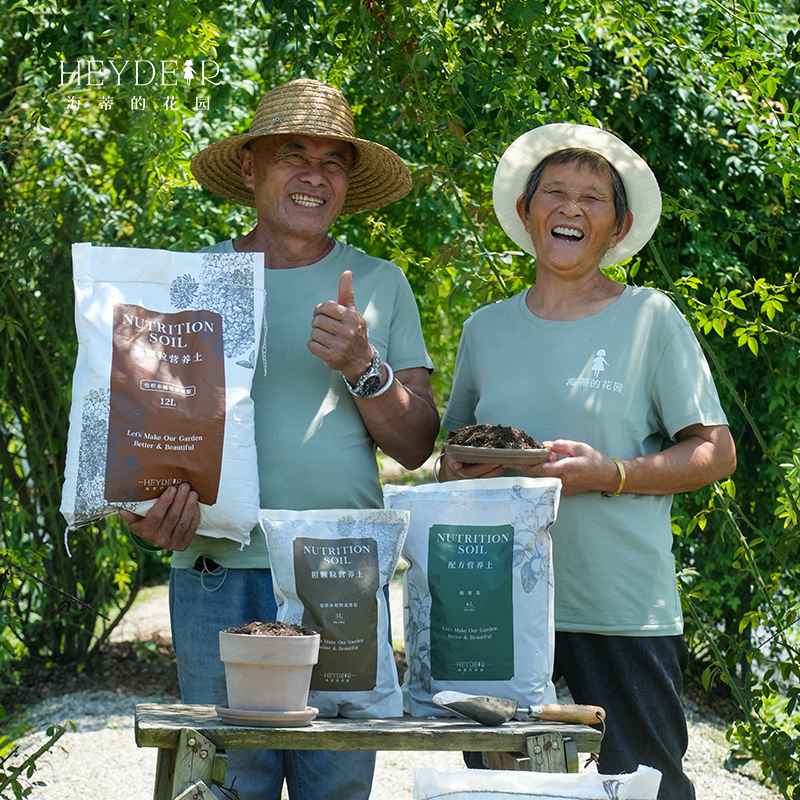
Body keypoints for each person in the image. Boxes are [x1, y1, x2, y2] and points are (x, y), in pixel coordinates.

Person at [120, 78, 440, 800]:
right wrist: (145, 514)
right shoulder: (191, 282)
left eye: (333, 160)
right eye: (293, 154)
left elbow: (419, 442)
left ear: (348, 183)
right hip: (216, 576)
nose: (314, 174)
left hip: (342, 574)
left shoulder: (381, 284)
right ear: (249, 169)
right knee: (227, 789)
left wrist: (364, 366)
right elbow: (144, 447)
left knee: (336, 789)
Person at [438, 123, 736, 800]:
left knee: (646, 788)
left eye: (593, 198)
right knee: (500, 789)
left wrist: (612, 474)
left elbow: (716, 451)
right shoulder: (486, 329)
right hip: (499, 608)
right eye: (556, 193)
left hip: (620, 603)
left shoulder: (650, 319)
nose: (571, 208)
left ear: (618, 225)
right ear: (526, 211)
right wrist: (453, 472)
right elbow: (452, 454)